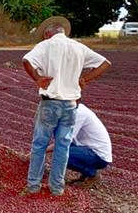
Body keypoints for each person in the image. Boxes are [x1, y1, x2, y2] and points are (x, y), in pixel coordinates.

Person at [20, 16, 111, 195]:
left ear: (48, 33)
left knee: (39, 145)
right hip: (71, 105)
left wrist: (38, 79)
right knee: (63, 146)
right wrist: (84, 79)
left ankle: (33, 186)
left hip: (50, 103)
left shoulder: (46, 46)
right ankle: (57, 188)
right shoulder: (78, 47)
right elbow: (105, 63)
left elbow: (26, 61)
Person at [55, 103, 112, 188]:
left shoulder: (78, 113)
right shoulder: (72, 110)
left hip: (98, 156)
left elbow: (65, 141)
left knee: (62, 155)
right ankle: (85, 176)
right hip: (88, 149)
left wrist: (42, 151)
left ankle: (92, 175)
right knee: (62, 149)